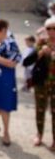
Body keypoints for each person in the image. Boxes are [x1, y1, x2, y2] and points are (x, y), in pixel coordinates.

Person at [23, 17, 55, 149]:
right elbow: (26, 62)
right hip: (41, 83)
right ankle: (39, 134)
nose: (52, 31)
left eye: (54, 28)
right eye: (49, 28)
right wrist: (40, 53)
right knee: (40, 110)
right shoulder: (41, 43)